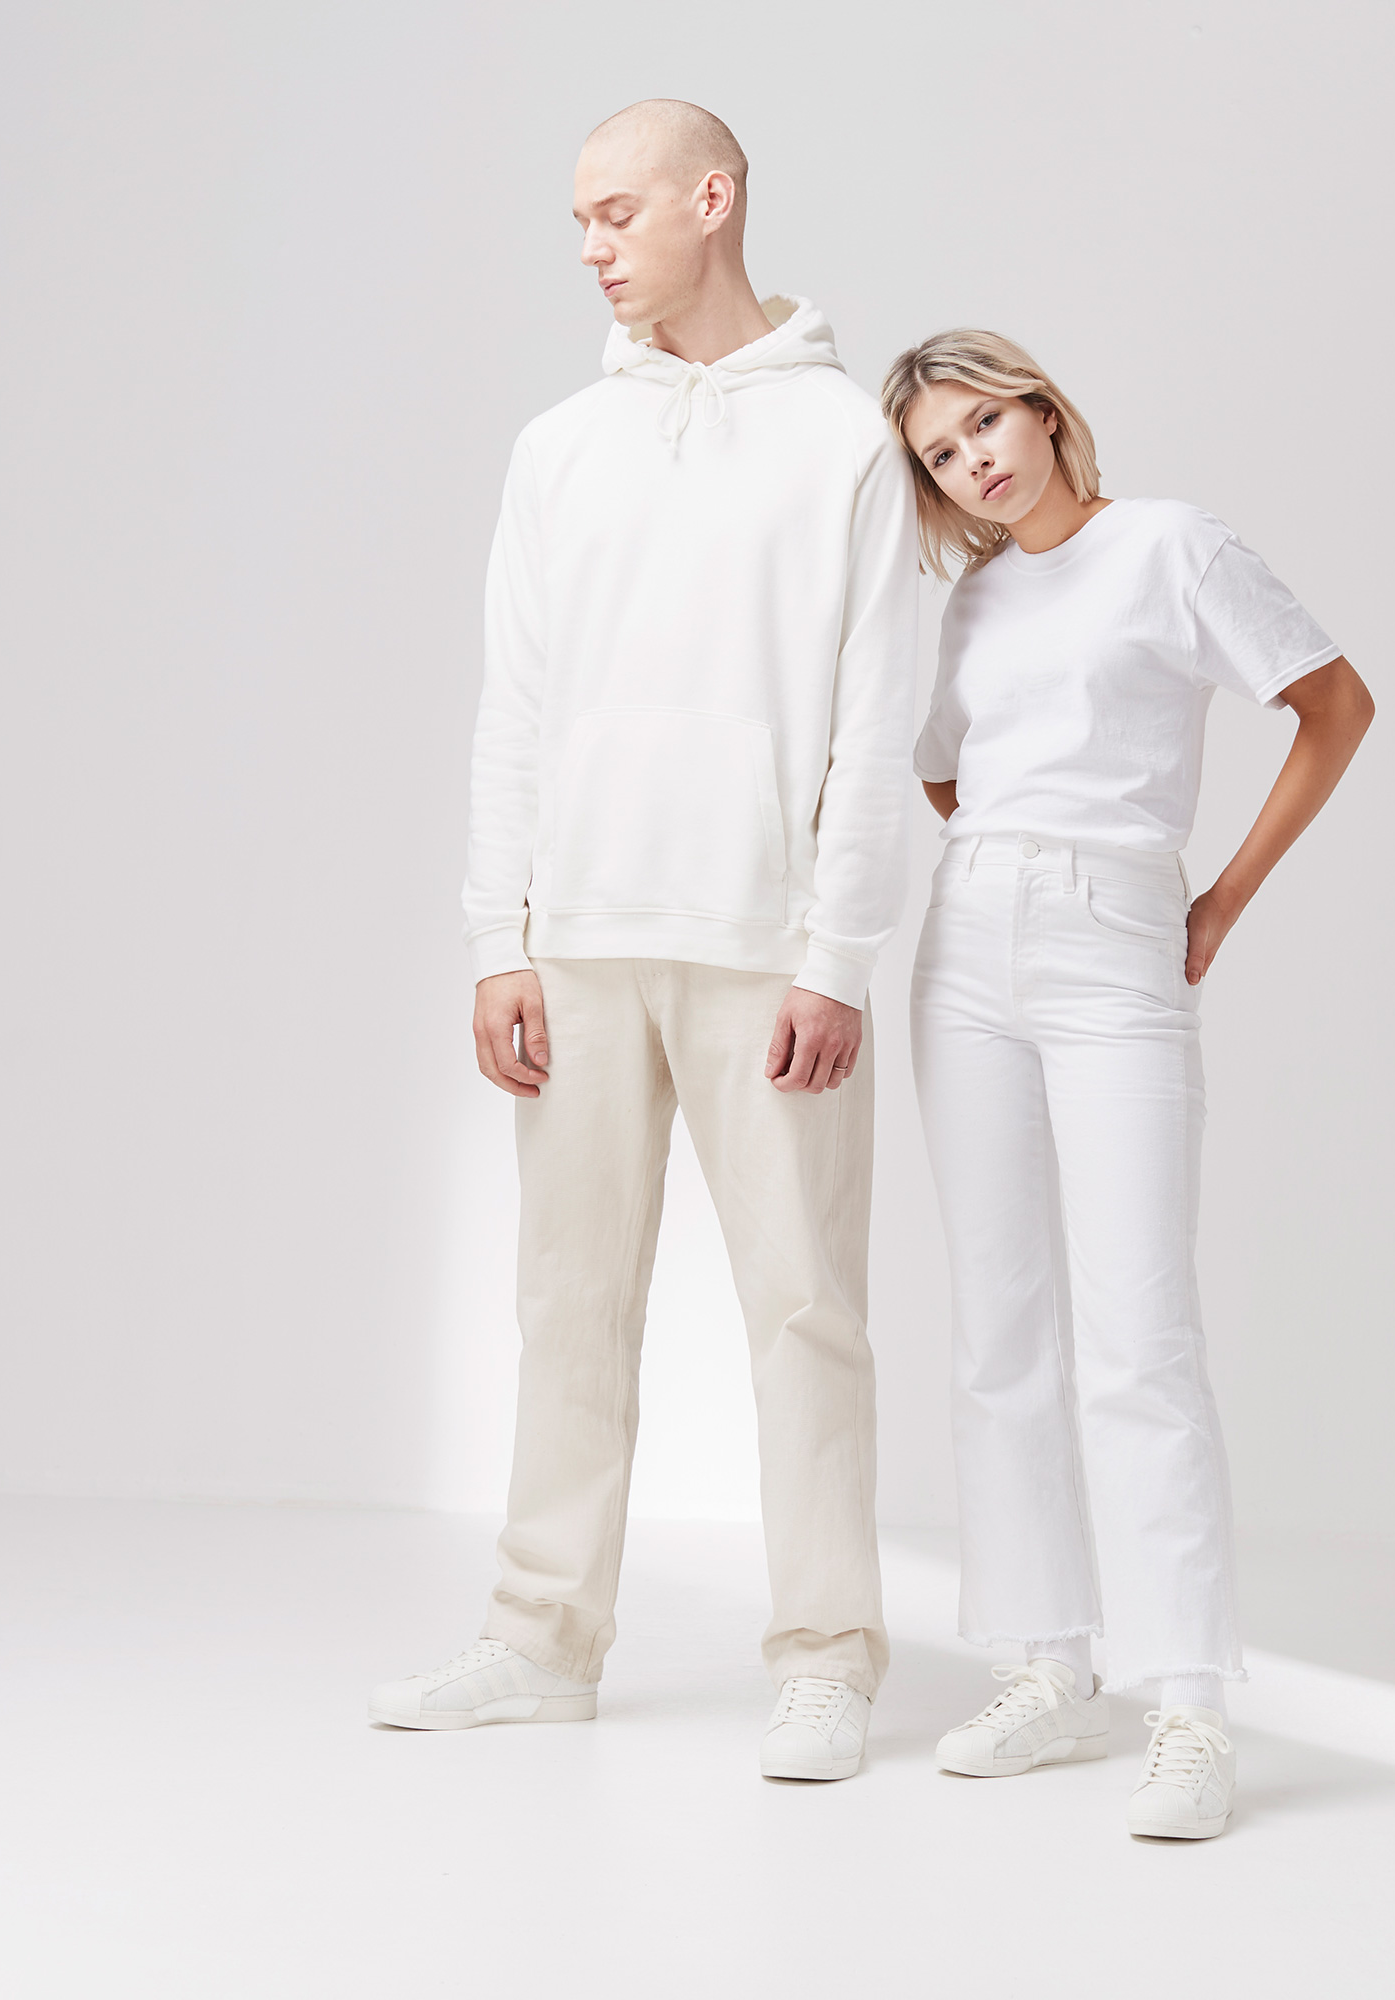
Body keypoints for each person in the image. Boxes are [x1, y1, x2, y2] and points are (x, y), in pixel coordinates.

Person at [368, 101, 920, 1784]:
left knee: (806, 1309)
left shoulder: (845, 441)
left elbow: (877, 719)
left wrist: (839, 957)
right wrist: (500, 936)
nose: (594, 246)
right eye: (580, 222)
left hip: (767, 944)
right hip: (583, 937)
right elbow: (514, 705)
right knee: (568, 1303)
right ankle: (541, 1641)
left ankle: (827, 1659)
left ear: (714, 198)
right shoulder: (560, 446)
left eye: (618, 212)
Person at [880, 330, 1374, 1839]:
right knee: (999, 1329)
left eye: (983, 424)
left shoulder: (1169, 547)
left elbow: (1336, 705)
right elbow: (946, 766)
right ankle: (1046, 1664)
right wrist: (1011, 862)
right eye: (942, 455)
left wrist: (1216, 900)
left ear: (1041, 409)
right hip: (968, 944)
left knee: (1138, 1338)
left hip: (1115, 945)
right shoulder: (976, 601)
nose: (973, 462)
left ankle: (1188, 1707)